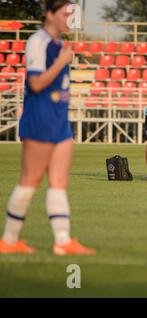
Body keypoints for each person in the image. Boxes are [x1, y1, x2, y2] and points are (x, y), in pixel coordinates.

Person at [0, 0, 95, 255]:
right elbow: (36, 83)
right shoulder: (38, 42)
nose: (69, 19)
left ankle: (62, 241)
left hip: (59, 120)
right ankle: (8, 240)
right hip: (39, 118)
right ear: (49, 15)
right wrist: (61, 61)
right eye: (66, 13)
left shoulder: (59, 45)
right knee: (30, 180)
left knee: (59, 181)